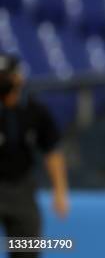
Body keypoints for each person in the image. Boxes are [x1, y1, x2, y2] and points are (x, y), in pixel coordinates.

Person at [0, 54, 70, 258]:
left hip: (22, 189)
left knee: (26, 249)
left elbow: (52, 151)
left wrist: (60, 191)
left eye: (6, 75)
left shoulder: (34, 111)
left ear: (18, 77)